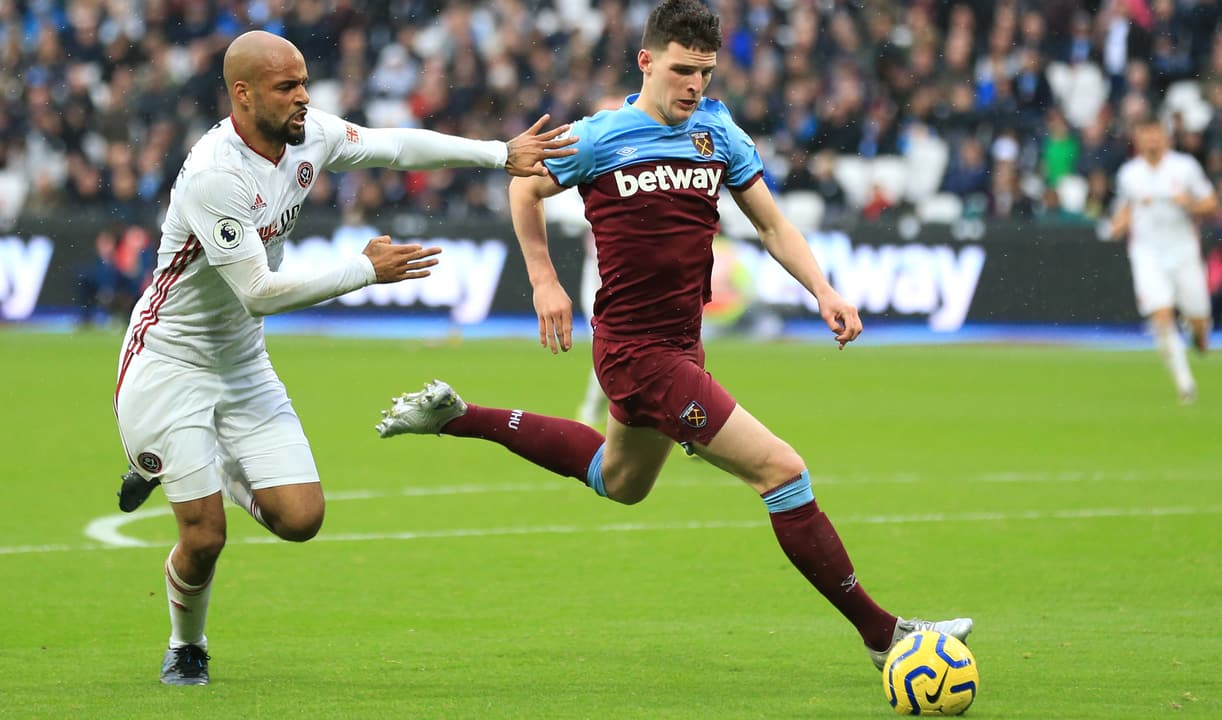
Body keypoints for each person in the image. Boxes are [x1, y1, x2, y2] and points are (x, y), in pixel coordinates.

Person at [375, 0, 971, 673]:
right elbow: (524, 190)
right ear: (647, 62)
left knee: (620, 480)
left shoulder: (720, 135)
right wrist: (544, 279)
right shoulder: (601, 136)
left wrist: (825, 290)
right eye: (683, 70)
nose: (695, 86)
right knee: (782, 471)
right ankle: (883, 634)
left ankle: (461, 416)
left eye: (707, 74)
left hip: (679, 348)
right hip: (638, 355)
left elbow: (773, 226)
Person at [111, 30, 576, 686]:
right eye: (287, 86)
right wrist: (362, 270)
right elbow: (256, 292)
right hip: (170, 363)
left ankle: (193, 461)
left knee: (301, 520)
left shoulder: (308, 135)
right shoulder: (215, 174)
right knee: (205, 535)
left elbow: (392, 145)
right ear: (242, 95)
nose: (304, 96)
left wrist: (499, 154)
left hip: (242, 363)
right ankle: (187, 646)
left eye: (304, 82)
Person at [1110, 116, 1217, 403]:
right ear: (1138, 139)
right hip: (1147, 254)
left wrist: (1190, 204)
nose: (1152, 140)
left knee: (1199, 321)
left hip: (1183, 252)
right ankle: (1185, 385)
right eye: (1146, 134)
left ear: (1165, 137)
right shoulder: (1129, 174)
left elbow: (1210, 203)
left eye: (1156, 134)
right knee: (1161, 315)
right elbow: (1123, 209)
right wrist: (1117, 226)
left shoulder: (1184, 167)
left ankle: (1198, 335)